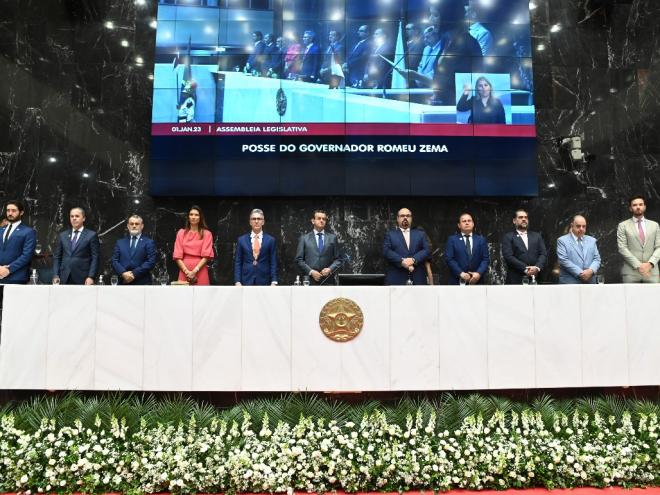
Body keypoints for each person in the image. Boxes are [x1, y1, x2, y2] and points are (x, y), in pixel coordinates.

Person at [616, 195, 660, 283]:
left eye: (640, 204)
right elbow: (622, 248)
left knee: (653, 297)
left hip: (651, 272)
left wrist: (650, 264)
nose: (638, 207)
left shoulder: (655, 225)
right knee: (629, 297)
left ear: (645, 206)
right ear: (630, 208)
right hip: (630, 273)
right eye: (635, 205)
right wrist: (639, 266)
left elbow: (659, 247)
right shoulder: (623, 226)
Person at [52, 207, 100, 285]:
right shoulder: (62, 235)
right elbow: (57, 257)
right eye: (72, 216)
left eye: (77, 216)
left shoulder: (91, 235)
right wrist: (55, 275)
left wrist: (91, 276)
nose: (74, 218)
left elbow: (95, 258)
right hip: (64, 277)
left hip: (83, 278)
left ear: (83, 218)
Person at [382, 208, 430, 285]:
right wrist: (402, 261)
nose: (405, 218)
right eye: (402, 216)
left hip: (418, 278)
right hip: (396, 278)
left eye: (408, 216)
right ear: (397, 219)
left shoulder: (420, 234)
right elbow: (386, 251)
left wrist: (414, 259)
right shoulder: (390, 235)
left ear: (411, 218)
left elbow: (426, 250)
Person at [295, 210, 344, 284]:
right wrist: (311, 272)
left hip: (328, 281)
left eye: (324, 219)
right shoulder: (304, 238)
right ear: (313, 221)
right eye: (319, 218)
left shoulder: (332, 238)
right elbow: (299, 260)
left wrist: (330, 269)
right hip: (309, 281)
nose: (321, 220)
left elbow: (339, 259)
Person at [501, 209, 547, 284]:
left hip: (536, 277)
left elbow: (543, 254)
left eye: (526, 217)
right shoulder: (508, 237)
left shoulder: (537, 236)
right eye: (520, 217)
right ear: (514, 221)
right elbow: (508, 256)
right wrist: (526, 269)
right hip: (515, 279)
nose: (524, 219)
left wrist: (537, 267)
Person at [234, 209, 278, 286]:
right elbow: (238, 262)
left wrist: (274, 281)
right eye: (254, 219)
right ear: (250, 222)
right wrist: (237, 281)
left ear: (263, 222)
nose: (256, 221)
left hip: (265, 280)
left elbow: (273, 261)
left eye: (259, 219)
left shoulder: (271, 240)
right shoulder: (241, 240)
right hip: (246, 280)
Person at [173, 205, 214, 285]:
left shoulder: (207, 234)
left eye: (196, 215)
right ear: (188, 217)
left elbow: (206, 256)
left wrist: (195, 271)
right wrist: (186, 271)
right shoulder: (181, 233)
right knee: (183, 296)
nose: (193, 217)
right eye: (191, 214)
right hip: (184, 269)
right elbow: (177, 255)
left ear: (200, 218)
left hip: (200, 270)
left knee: (202, 295)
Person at [111, 215, 157, 285]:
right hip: (123, 282)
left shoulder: (149, 242)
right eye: (131, 224)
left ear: (142, 226)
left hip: (142, 283)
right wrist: (123, 273)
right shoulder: (120, 242)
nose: (134, 226)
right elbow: (114, 261)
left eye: (137, 224)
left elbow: (151, 261)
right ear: (128, 226)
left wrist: (133, 274)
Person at [445, 213, 489, 285]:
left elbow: (485, 259)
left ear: (473, 224)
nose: (467, 223)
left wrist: (478, 273)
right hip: (457, 281)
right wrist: (461, 273)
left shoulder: (481, 240)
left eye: (469, 221)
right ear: (459, 225)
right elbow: (449, 259)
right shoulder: (452, 240)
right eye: (464, 221)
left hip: (477, 281)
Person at [557, 214, 601, 284]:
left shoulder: (592, 240)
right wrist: (582, 273)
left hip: (590, 282)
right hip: (570, 282)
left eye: (584, 226)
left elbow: (597, 259)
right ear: (572, 226)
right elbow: (563, 260)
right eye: (578, 226)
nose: (581, 228)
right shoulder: (562, 241)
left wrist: (590, 271)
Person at [0, 199, 36, 284]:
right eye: (8, 210)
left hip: (17, 277)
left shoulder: (28, 231)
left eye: (13, 210)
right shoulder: (1, 230)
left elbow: (27, 255)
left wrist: (9, 269)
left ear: (21, 212)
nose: (10, 213)